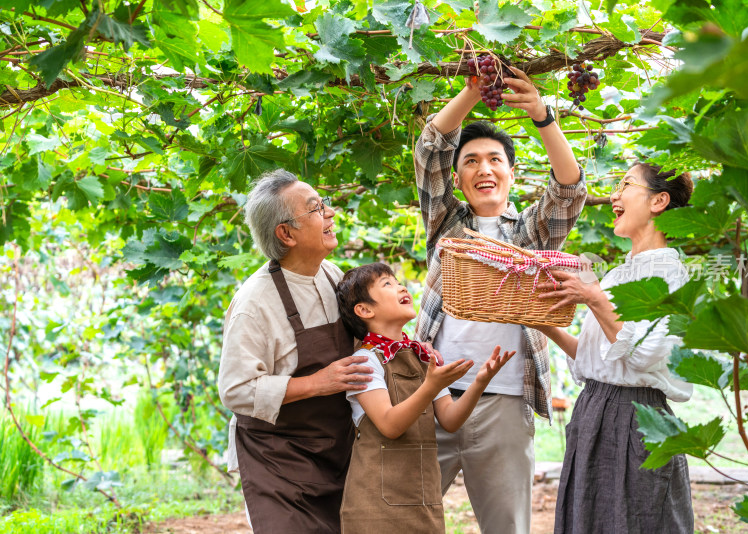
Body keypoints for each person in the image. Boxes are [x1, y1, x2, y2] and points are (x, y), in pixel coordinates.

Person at [414, 66, 586, 532]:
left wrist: (544, 117)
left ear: (512, 171)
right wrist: (475, 89)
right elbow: (430, 150)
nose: (483, 169)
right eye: (470, 161)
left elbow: (568, 192)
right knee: (403, 516)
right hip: (432, 395)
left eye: (494, 159)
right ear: (458, 176)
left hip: (506, 400)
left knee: (507, 526)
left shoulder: (531, 233)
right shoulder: (446, 224)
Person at [533, 163, 695, 533]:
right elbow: (594, 360)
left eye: (625, 185)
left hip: (639, 421)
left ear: (659, 201)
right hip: (595, 411)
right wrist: (539, 322)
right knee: (592, 521)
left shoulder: (669, 272)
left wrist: (592, 296)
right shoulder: (621, 272)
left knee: (638, 521)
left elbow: (642, 355)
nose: (613, 196)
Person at [217, 169, 374, 534]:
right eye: (316, 208)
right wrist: (317, 383)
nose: (330, 213)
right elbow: (236, 389)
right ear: (286, 234)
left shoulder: (332, 275)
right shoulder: (254, 304)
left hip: (334, 448)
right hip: (278, 460)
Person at [335, 263, 516, 533]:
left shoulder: (422, 358)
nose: (401, 286)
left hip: (423, 502)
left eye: (397, 281)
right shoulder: (365, 360)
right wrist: (431, 386)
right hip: (373, 507)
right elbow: (389, 425)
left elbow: (450, 419)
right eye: (387, 284)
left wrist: (479, 382)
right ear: (364, 310)